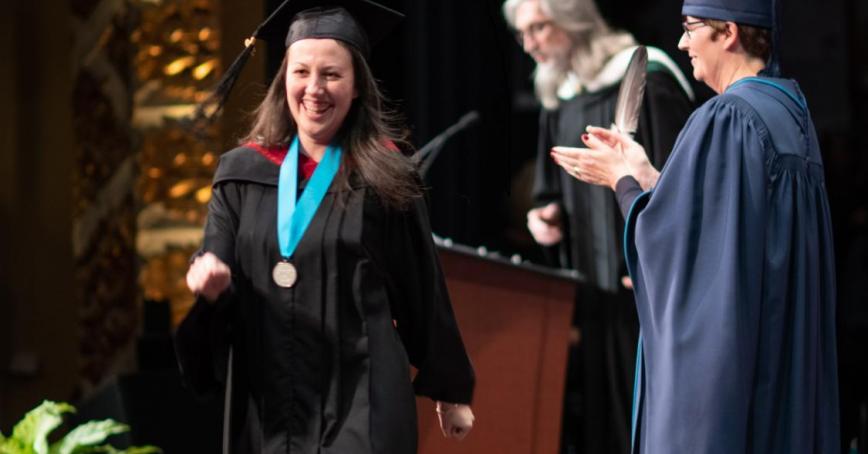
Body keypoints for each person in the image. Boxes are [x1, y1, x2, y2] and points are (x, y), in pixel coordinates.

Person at [174, 1, 475, 452]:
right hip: (269, 398)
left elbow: (421, 285)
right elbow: (215, 260)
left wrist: (450, 389)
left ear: (356, 88)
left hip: (363, 392)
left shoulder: (385, 177)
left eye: (331, 74)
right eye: (301, 73)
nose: (314, 89)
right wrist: (211, 284)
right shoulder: (241, 174)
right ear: (284, 81)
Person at [559, 0, 840, 452]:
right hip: (778, 362)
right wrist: (651, 177)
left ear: (727, 32)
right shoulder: (790, 111)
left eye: (691, 29)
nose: (681, 42)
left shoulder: (725, 116)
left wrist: (622, 183)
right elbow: (724, 218)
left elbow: (681, 253)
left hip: (734, 376)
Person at [502, 0, 693, 452]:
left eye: (539, 27)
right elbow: (548, 192)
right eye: (521, 33)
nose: (529, 44)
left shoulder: (649, 80)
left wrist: (657, 256)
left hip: (646, 290)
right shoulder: (562, 95)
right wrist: (543, 218)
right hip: (590, 294)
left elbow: (681, 185)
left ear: (573, 19)